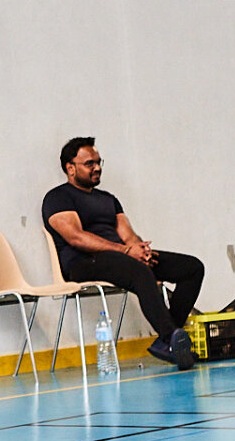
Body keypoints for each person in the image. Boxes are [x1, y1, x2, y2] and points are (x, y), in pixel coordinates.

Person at [42, 138, 208, 369]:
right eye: (89, 164)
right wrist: (126, 250)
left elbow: (127, 234)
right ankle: (170, 337)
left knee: (191, 268)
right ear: (70, 168)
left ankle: (167, 340)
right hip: (82, 262)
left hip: (119, 258)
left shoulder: (108, 199)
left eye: (99, 162)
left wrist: (141, 250)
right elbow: (76, 237)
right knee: (138, 270)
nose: (97, 168)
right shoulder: (58, 197)